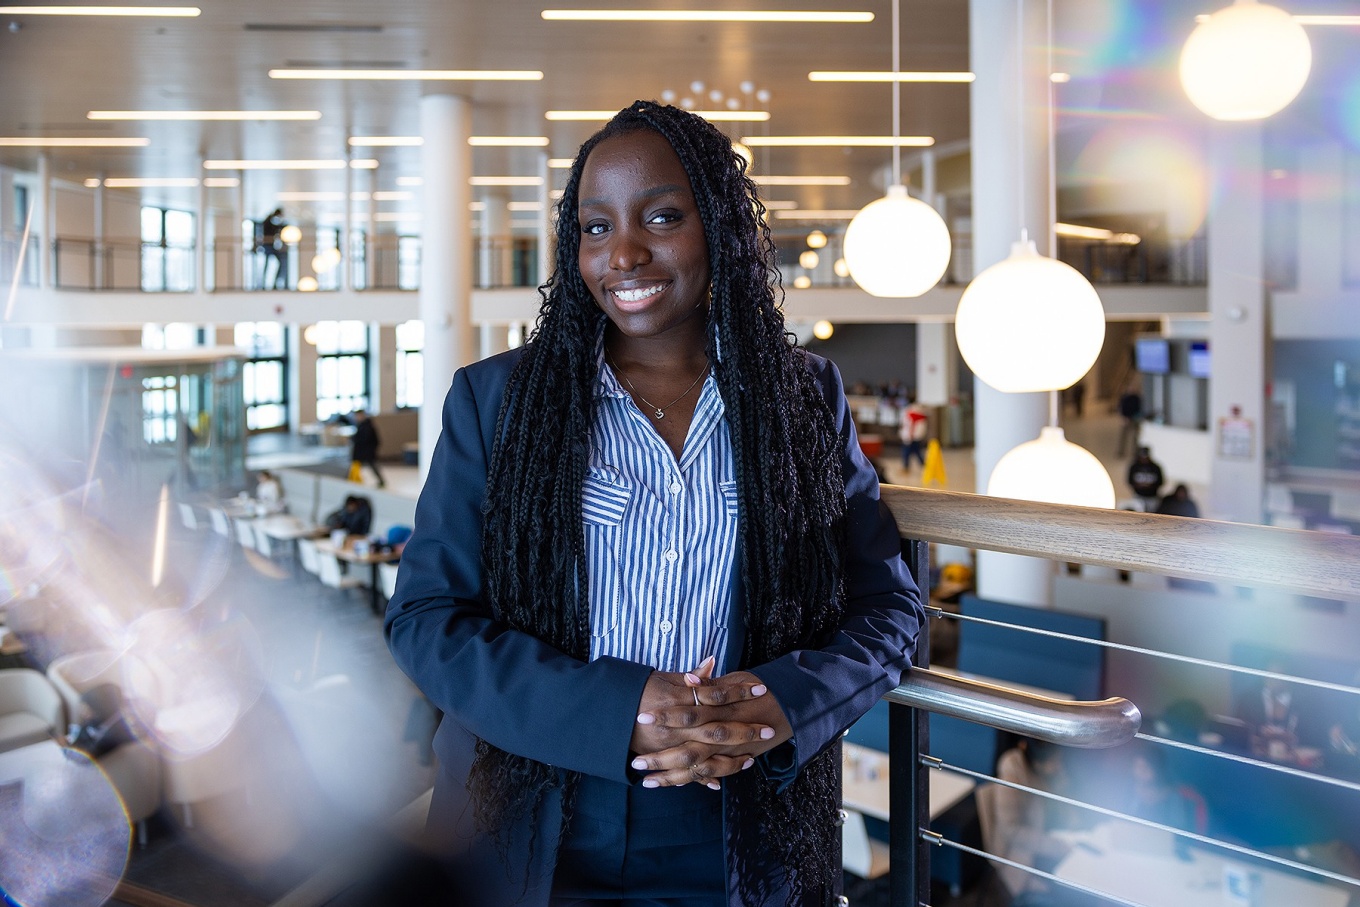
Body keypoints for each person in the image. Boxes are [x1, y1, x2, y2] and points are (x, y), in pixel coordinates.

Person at [384, 101, 924, 907]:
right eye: (596, 228)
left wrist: (780, 705)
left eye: (663, 217)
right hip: (530, 823)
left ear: (721, 230)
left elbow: (890, 608)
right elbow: (427, 619)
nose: (625, 253)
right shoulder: (497, 402)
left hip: (743, 828)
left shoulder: (802, 398)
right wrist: (616, 708)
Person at [989, 739, 1074, 902]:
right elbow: (1010, 831)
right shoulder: (1013, 769)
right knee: (1063, 895)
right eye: (1053, 762)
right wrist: (1054, 845)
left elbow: (1066, 801)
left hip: (1059, 842)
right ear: (1036, 762)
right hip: (1026, 855)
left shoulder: (1053, 764)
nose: (1058, 765)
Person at [350, 409, 385, 488]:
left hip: (367, 451)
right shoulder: (362, 425)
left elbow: (368, 439)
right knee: (359, 466)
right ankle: (356, 480)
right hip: (363, 451)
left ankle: (380, 480)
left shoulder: (367, 426)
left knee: (371, 465)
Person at [1127, 446, 1164, 511]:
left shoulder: (1155, 467)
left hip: (1152, 497)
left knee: (1151, 514)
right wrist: (1139, 486)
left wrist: (1149, 486)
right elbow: (1130, 481)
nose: (1144, 459)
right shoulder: (1135, 467)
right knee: (1138, 512)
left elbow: (1161, 482)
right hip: (1138, 495)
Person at [258, 207, 287, 290]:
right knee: (268, 264)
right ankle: (264, 283)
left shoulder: (270, 220)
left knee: (270, 264)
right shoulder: (269, 221)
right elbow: (273, 230)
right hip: (268, 246)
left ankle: (269, 282)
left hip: (269, 246)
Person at [898, 397, 928, 470]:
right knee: (916, 451)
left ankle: (906, 466)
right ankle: (923, 464)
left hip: (910, 437)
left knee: (907, 452)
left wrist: (910, 435)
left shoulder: (912, 414)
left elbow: (911, 426)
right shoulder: (921, 414)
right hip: (916, 436)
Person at [1116, 384, 1143, 457]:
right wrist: (1124, 418)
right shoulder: (1125, 398)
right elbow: (1121, 408)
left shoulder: (1137, 398)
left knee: (1135, 437)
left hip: (1135, 419)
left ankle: (1135, 452)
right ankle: (1121, 452)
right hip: (1126, 419)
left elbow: (1139, 408)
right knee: (1124, 437)